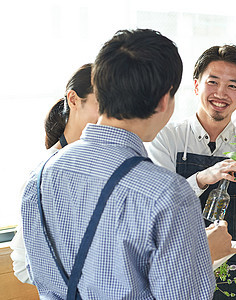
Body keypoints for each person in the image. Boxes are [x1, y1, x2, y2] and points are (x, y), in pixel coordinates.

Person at [21, 29, 216, 299]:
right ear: (163, 100)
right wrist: (208, 255)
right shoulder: (167, 194)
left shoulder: (41, 176)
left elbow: (40, 274)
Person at [146, 44, 236, 299]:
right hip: (178, 270)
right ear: (196, 86)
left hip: (234, 273)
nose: (221, 93)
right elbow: (159, 207)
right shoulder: (167, 138)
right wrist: (203, 178)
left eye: (232, 86)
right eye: (213, 82)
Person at [10, 63, 99, 284]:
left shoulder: (110, 164)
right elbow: (23, 265)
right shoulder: (42, 173)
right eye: (103, 104)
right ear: (74, 100)